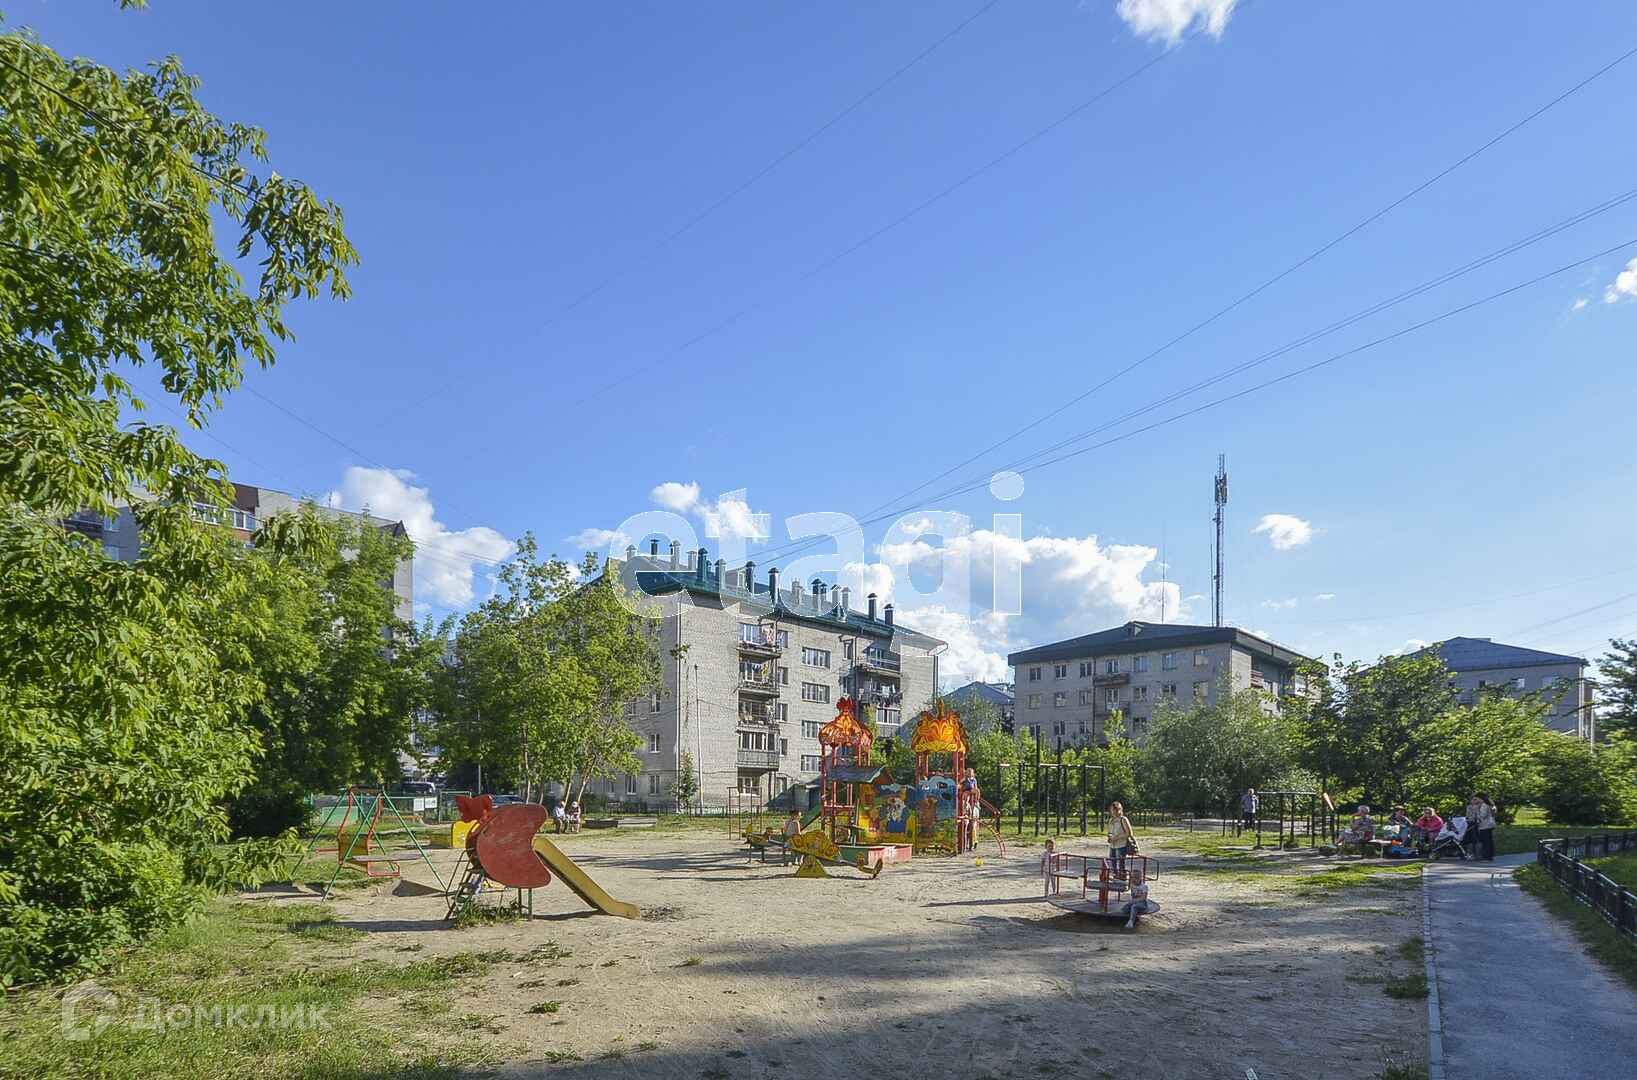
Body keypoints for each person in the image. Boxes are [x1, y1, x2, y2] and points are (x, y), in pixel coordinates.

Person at [1107, 801, 1134, 873]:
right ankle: (1115, 875)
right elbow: (1110, 832)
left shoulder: (1123, 819)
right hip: (1113, 845)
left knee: (1121, 863)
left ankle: (1122, 876)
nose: (1114, 812)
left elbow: (1129, 833)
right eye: (1113, 810)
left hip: (1121, 845)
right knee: (1112, 862)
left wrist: (1117, 838)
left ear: (1120, 809)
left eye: (1117, 809)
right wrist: (1109, 837)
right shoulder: (1111, 820)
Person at [1471, 793, 1497, 861]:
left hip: (1485, 825)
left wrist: (1476, 810)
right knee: (1488, 840)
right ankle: (1489, 855)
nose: (1475, 800)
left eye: (1476, 799)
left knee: (1485, 841)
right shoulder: (1488, 805)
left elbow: (1482, 816)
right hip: (1489, 825)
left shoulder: (1484, 805)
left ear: (1480, 798)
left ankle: (1486, 856)